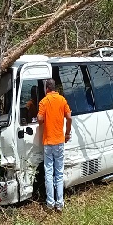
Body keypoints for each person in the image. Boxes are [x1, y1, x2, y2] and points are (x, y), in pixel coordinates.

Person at [37, 78, 72, 211]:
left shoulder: (44, 101)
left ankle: (50, 203)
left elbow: (40, 119)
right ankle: (60, 204)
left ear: (46, 88)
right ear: (55, 88)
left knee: (49, 173)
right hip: (60, 141)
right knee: (59, 173)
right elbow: (69, 117)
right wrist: (67, 133)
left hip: (48, 142)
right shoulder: (62, 100)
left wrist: (44, 120)